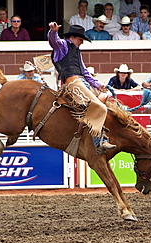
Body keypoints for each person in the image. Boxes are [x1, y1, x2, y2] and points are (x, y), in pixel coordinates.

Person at [48, 22, 116, 153]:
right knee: (98, 106)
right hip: (73, 83)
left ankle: (98, 138)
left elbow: (85, 72)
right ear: (72, 37)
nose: (82, 42)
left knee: (102, 103)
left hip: (81, 82)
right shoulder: (63, 45)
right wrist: (53, 32)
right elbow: (53, 42)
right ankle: (99, 142)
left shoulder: (76, 52)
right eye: (81, 39)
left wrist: (97, 84)